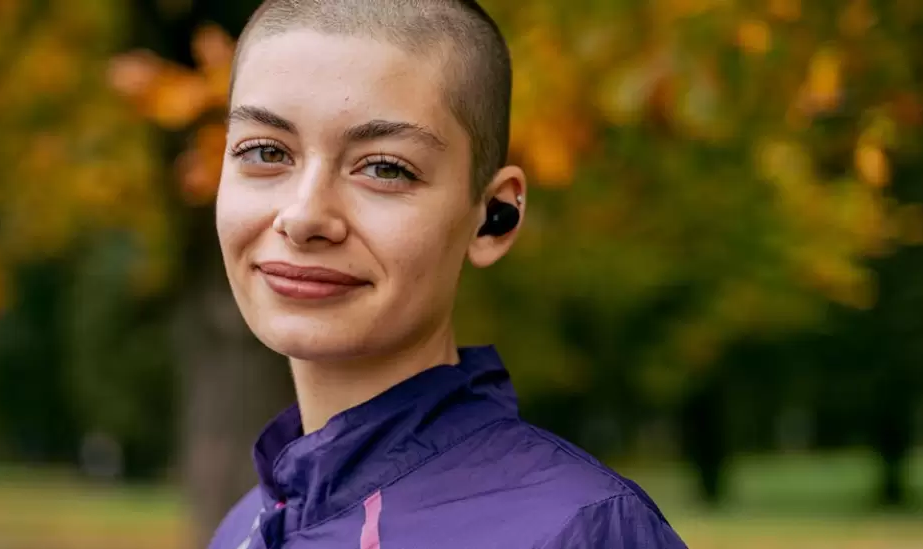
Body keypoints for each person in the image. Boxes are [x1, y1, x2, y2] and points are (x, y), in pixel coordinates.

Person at [209, 0, 688, 547]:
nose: (305, 217)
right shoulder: (241, 530)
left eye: (385, 168)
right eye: (266, 151)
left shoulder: (578, 530)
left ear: (492, 220)